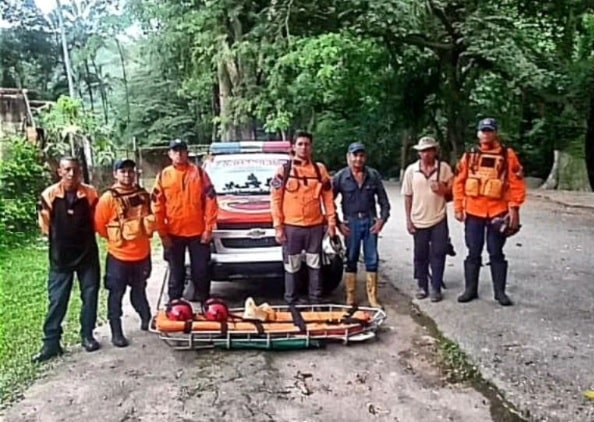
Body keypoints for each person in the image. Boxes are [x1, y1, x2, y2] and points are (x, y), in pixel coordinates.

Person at [33, 157, 101, 363]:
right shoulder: (49, 195)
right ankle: (51, 343)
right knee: (57, 300)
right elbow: (45, 226)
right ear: (60, 172)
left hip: (87, 255)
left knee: (89, 297)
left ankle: (87, 335)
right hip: (61, 257)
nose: (72, 174)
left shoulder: (90, 194)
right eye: (67, 170)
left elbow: (97, 219)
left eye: (75, 170)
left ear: (80, 172)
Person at [453, 118, 526, 306]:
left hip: (497, 212)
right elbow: (459, 182)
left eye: (490, 130)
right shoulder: (469, 156)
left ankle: (500, 292)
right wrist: (458, 207)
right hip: (473, 211)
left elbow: (516, 183)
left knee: (496, 251)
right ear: (478, 133)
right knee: (473, 251)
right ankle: (470, 289)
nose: (486, 134)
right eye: (483, 131)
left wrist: (514, 208)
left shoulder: (507, 154)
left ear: (495, 133)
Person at [270, 131, 337, 305]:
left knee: (315, 264)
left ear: (311, 147)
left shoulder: (319, 170)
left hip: (315, 226)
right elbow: (275, 200)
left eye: (307, 144)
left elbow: (328, 197)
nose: (303, 147)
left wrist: (331, 222)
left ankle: (315, 299)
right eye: (300, 144)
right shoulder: (284, 170)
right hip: (291, 227)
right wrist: (278, 227)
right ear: (293, 147)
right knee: (292, 266)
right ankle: (292, 300)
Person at [94, 158, 154, 347]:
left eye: (130, 171)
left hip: (142, 255)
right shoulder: (107, 199)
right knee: (116, 295)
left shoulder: (144, 195)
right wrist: (119, 242)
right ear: (115, 174)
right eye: (123, 171)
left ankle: (147, 318)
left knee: (139, 291)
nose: (127, 175)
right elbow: (100, 226)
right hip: (118, 258)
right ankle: (116, 332)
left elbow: (153, 216)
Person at [151, 139, 218, 305]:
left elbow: (211, 202)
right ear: (170, 154)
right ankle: (174, 304)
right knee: (176, 272)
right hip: (173, 232)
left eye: (182, 150)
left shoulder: (200, 174)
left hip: (198, 232)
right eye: (175, 151)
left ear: (187, 152)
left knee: (201, 271)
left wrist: (208, 229)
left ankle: (204, 303)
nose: (179, 154)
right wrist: (162, 233)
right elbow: (156, 206)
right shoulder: (163, 176)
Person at [332, 142, 391, 308]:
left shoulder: (373, 175)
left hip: (370, 221)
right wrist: (337, 223)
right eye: (355, 155)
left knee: (372, 259)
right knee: (351, 259)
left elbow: (384, 202)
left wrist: (381, 220)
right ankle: (351, 297)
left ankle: (372, 297)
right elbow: (329, 202)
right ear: (348, 157)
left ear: (365, 157)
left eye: (361, 155)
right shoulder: (340, 177)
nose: (358, 159)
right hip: (350, 223)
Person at [402, 137, 454, 302]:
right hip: (418, 219)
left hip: (439, 218)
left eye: (429, 150)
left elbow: (454, 193)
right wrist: (408, 220)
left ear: (435, 151)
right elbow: (408, 196)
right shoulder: (412, 170)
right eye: (423, 151)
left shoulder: (443, 168)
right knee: (420, 255)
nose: (426, 154)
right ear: (419, 153)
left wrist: (443, 189)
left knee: (439, 253)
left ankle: (436, 287)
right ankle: (422, 285)